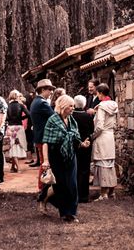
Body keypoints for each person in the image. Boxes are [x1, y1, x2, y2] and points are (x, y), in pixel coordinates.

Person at [39, 94, 90, 222]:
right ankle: (64, 213)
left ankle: (72, 213)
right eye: (70, 106)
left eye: (73, 106)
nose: (73, 108)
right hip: (56, 155)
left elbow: (75, 138)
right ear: (63, 107)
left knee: (72, 184)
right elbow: (45, 141)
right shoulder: (52, 120)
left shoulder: (72, 120)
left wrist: (82, 144)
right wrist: (46, 160)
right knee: (60, 186)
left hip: (70, 154)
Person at [92, 83, 119, 200]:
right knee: (110, 164)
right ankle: (112, 191)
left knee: (102, 164)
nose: (97, 95)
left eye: (97, 93)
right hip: (110, 135)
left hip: (102, 136)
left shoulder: (102, 106)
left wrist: (93, 136)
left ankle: (104, 194)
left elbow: (99, 126)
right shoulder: (114, 105)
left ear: (101, 93)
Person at [29, 79, 55, 179]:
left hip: (38, 136)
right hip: (44, 138)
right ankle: (43, 188)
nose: (51, 92)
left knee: (43, 163)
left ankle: (43, 189)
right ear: (43, 90)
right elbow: (55, 118)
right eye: (49, 89)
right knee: (46, 164)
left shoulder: (36, 101)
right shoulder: (42, 103)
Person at [71, 95, 93, 203]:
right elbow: (91, 129)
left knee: (74, 169)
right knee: (84, 170)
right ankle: (83, 196)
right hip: (86, 145)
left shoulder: (71, 116)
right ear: (84, 104)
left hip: (74, 144)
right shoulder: (87, 116)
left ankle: (73, 194)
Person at [6, 89, 30, 172]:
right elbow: (29, 114)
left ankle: (13, 167)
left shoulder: (7, 106)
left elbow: (6, 118)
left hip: (11, 127)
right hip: (19, 127)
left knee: (13, 146)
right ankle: (18, 167)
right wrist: (21, 118)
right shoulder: (21, 105)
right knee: (17, 146)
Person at [25, 90, 36, 164]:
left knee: (29, 141)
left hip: (28, 124)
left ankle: (30, 158)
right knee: (30, 141)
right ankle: (30, 158)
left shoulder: (27, 104)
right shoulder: (33, 105)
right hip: (30, 123)